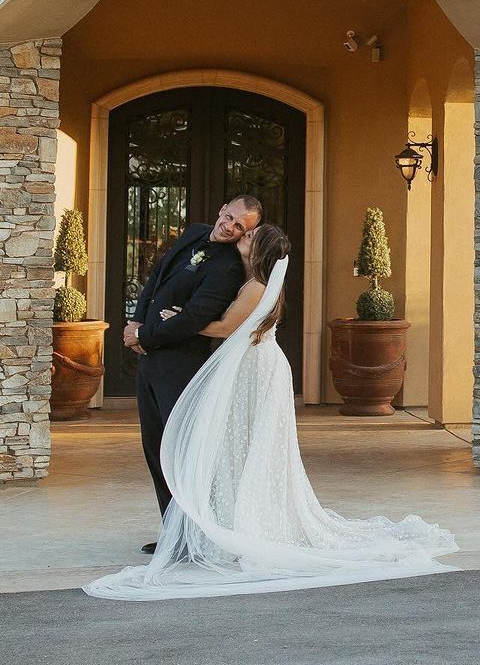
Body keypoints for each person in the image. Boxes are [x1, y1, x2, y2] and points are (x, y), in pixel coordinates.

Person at [85, 224, 456, 601]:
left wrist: (173, 321)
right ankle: (215, 522)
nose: (241, 236)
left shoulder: (256, 287)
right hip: (247, 365)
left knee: (245, 444)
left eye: (249, 235)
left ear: (257, 250)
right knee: (238, 445)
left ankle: (237, 525)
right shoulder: (249, 281)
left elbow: (228, 327)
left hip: (254, 368)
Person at [124, 196, 263, 533]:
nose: (229, 227)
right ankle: (172, 533)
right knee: (155, 448)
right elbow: (155, 279)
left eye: (239, 227)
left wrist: (147, 336)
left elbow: (195, 319)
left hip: (180, 367)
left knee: (180, 453)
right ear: (221, 209)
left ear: (247, 232)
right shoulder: (193, 232)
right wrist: (135, 324)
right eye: (229, 217)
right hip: (149, 360)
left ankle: (192, 535)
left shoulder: (228, 268)